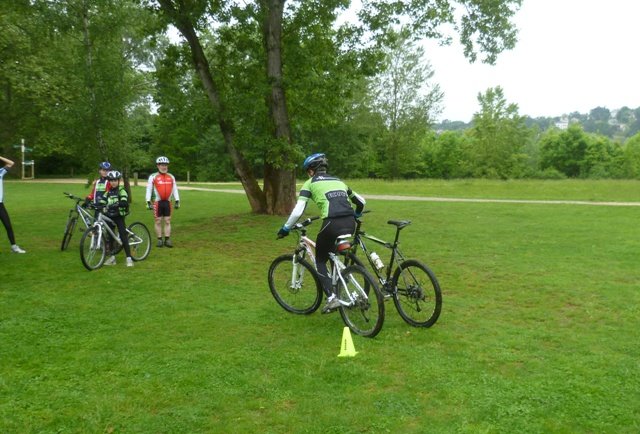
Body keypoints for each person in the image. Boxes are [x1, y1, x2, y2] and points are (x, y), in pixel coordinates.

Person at [277, 153, 365, 313]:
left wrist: (286, 228)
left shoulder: (309, 184)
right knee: (332, 253)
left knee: (320, 259)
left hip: (332, 223)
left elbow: (298, 211)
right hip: (350, 222)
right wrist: (357, 214)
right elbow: (361, 201)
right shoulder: (339, 181)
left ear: (311, 170)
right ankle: (338, 285)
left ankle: (332, 298)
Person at [100, 170, 134, 267]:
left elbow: (124, 201)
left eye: (115, 180)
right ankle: (112, 258)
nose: (113, 182)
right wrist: (93, 204)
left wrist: (119, 203)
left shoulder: (122, 190)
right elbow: (102, 201)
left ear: (118, 181)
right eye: (111, 180)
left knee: (123, 236)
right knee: (110, 237)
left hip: (119, 216)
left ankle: (129, 258)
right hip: (110, 216)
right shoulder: (108, 192)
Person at [145, 156, 180, 248]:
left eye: (165, 165)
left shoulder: (171, 176)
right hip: (157, 202)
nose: (164, 167)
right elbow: (149, 189)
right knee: (158, 221)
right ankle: (159, 239)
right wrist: (148, 201)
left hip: (168, 202)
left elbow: (175, 189)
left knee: (167, 221)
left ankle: (167, 239)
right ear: (158, 166)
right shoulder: (153, 176)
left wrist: (177, 200)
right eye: (162, 165)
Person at [0, 156, 26, 253]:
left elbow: (11, 163)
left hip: (0, 205)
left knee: (8, 225)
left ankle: (14, 247)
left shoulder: (0, 172)